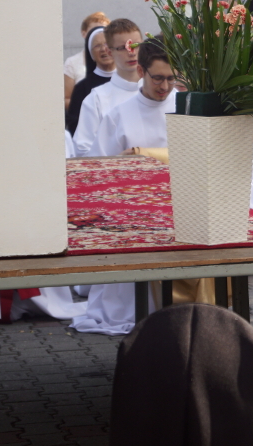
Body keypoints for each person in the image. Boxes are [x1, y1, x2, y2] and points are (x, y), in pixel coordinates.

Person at [73, 38, 179, 335]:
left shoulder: (185, 108)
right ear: (142, 71)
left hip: (178, 209)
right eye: (158, 77)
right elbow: (99, 171)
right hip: (133, 216)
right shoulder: (118, 115)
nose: (165, 86)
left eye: (171, 78)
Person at [73, 19, 144, 156]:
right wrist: (116, 160)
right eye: (123, 47)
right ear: (109, 52)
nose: (131, 52)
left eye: (136, 45)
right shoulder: (96, 99)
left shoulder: (164, 93)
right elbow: (82, 152)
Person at [66, 26, 116, 135]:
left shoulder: (128, 81)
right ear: (91, 54)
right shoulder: (82, 88)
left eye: (107, 43)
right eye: (97, 45)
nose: (103, 49)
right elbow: (75, 126)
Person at [64, 12, 109, 110]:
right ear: (84, 33)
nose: (100, 34)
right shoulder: (72, 62)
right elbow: (66, 98)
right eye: (94, 30)